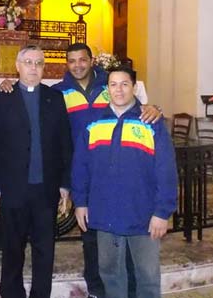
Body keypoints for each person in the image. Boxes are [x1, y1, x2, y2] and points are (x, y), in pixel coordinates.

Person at [0, 43, 162, 298]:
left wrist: (154, 109)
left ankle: (130, 290)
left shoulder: (109, 86)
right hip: (84, 172)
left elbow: (135, 108)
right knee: (92, 238)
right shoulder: (59, 92)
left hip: (116, 171)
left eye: (82, 60)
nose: (77, 65)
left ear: (91, 60)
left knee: (128, 240)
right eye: (72, 61)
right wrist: (7, 84)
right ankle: (97, 290)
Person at [71, 65, 178, 298]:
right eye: (113, 84)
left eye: (124, 84)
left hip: (143, 215)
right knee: (110, 273)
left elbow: (166, 171)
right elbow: (80, 166)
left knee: (147, 276)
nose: (118, 90)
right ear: (107, 89)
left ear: (134, 87)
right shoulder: (94, 123)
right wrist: (80, 202)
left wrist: (162, 212)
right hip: (104, 213)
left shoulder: (151, 122)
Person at [0, 45, 73, 298]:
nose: (34, 68)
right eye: (28, 62)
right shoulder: (3, 98)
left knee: (45, 250)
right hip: (13, 188)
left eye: (39, 63)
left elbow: (65, 144)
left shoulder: (55, 98)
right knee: (12, 249)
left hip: (45, 188)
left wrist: (65, 185)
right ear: (18, 66)